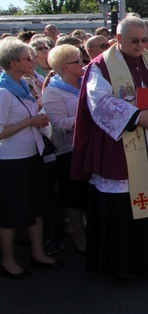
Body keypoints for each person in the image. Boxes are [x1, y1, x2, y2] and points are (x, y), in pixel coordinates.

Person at [70, 17, 148, 277]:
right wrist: (137, 117)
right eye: (134, 41)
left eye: (145, 40)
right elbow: (98, 101)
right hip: (123, 146)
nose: (140, 46)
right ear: (119, 38)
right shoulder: (100, 66)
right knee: (125, 205)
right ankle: (127, 266)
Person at [0, 38, 63, 279]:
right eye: (28, 59)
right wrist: (30, 121)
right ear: (14, 63)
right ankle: (8, 260)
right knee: (11, 213)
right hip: (10, 162)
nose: (34, 62)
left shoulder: (24, 86)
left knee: (36, 206)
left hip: (30, 156)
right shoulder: (4, 92)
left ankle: (38, 253)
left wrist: (37, 118)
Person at [42, 44, 88, 254]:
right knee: (73, 196)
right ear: (64, 67)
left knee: (91, 192)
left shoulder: (86, 84)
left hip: (91, 147)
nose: (82, 64)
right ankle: (78, 236)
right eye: (77, 61)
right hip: (69, 151)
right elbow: (59, 124)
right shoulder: (53, 91)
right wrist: (87, 115)